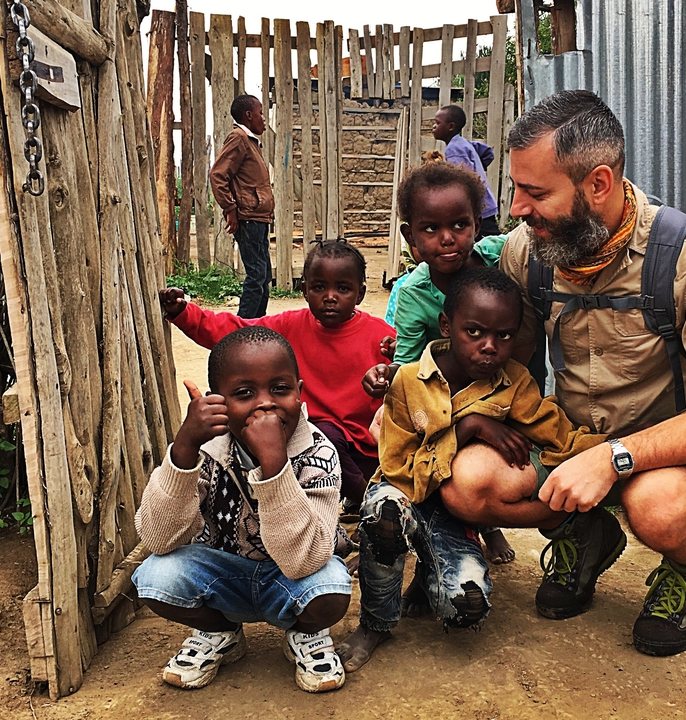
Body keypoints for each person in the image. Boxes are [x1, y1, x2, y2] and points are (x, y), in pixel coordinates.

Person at [443, 89, 686, 657]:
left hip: (671, 454)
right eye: (516, 188)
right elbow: (507, 368)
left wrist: (612, 458)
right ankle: (584, 535)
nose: (516, 207)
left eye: (535, 192)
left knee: (659, 507)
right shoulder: (527, 251)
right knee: (468, 483)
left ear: (598, 184)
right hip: (570, 440)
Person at [337, 266, 607, 671]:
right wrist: (468, 429)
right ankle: (375, 623)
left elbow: (555, 430)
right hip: (402, 496)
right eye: (475, 332)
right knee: (385, 517)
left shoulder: (513, 383)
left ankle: (432, 579)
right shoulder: (408, 382)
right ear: (447, 325)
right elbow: (400, 472)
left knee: (467, 608)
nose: (489, 347)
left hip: (451, 511)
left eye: (504, 336)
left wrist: (614, 453)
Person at [132, 327, 351, 692]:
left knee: (333, 585)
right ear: (218, 402)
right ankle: (221, 632)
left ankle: (304, 635)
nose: (266, 404)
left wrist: (274, 466)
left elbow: (305, 562)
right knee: (156, 578)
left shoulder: (319, 453)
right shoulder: (205, 450)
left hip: (291, 580)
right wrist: (184, 447)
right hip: (224, 575)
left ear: (300, 392)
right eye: (244, 393)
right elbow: (158, 538)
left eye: (280, 389)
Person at [160, 240, 394, 507]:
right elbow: (235, 332)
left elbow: (410, 374)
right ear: (304, 290)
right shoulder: (288, 326)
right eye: (319, 287)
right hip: (312, 443)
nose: (330, 296)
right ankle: (370, 505)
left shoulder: (381, 337)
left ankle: (373, 503)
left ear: (360, 293)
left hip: (368, 445)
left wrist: (391, 374)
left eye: (342, 288)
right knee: (326, 436)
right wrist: (184, 313)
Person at [362, 161, 514, 564]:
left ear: (477, 225)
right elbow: (411, 365)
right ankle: (414, 535)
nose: (448, 239)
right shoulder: (414, 293)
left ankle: (488, 525)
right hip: (445, 394)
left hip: (504, 385)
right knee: (408, 437)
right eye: (430, 229)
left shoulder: (502, 258)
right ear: (409, 236)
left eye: (460, 225)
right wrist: (388, 377)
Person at [209, 94, 274, 318]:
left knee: (263, 276)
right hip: (249, 218)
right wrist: (230, 210)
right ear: (248, 115)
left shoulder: (250, 142)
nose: (264, 119)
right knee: (256, 276)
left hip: (258, 218)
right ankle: (242, 331)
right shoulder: (238, 138)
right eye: (261, 113)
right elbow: (218, 175)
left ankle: (257, 326)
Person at [432, 104, 500, 238]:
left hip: (478, 206)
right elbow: (488, 153)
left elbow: (460, 181)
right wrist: (478, 168)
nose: (433, 127)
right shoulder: (464, 143)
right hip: (485, 203)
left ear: (450, 127)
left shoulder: (453, 149)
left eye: (437, 123)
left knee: (493, 244)